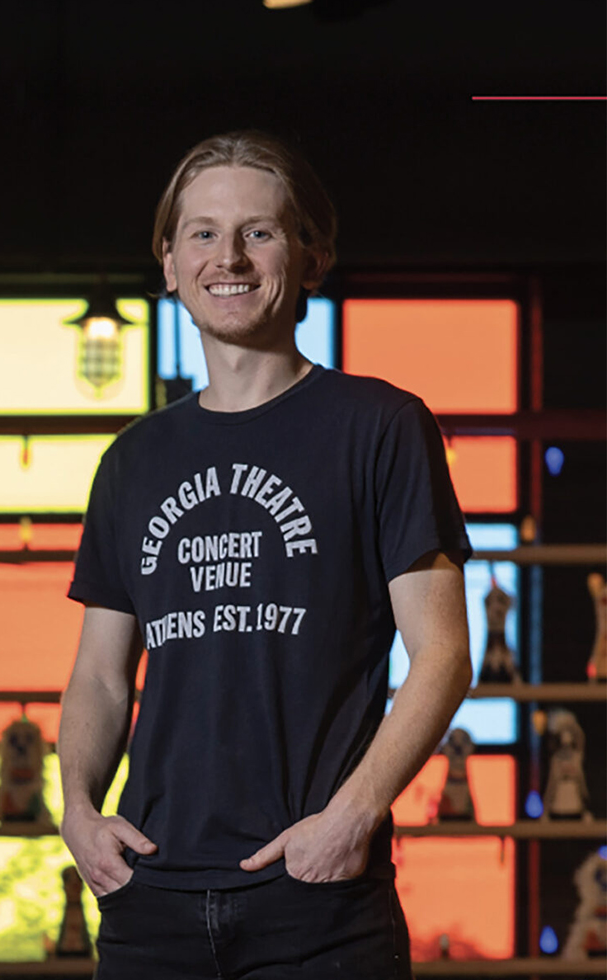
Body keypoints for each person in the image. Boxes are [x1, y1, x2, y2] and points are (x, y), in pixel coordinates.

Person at [59, 131, 473, 978]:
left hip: (315, 899)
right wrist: (75, 811)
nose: (230, 256)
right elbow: (100, 675)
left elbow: (443, 654)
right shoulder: (132, 462)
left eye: (260, 231)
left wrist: (352, 819)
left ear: (312, 256)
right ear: (169, 263)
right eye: (202, 233)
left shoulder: (379, 427)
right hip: (151, 897)